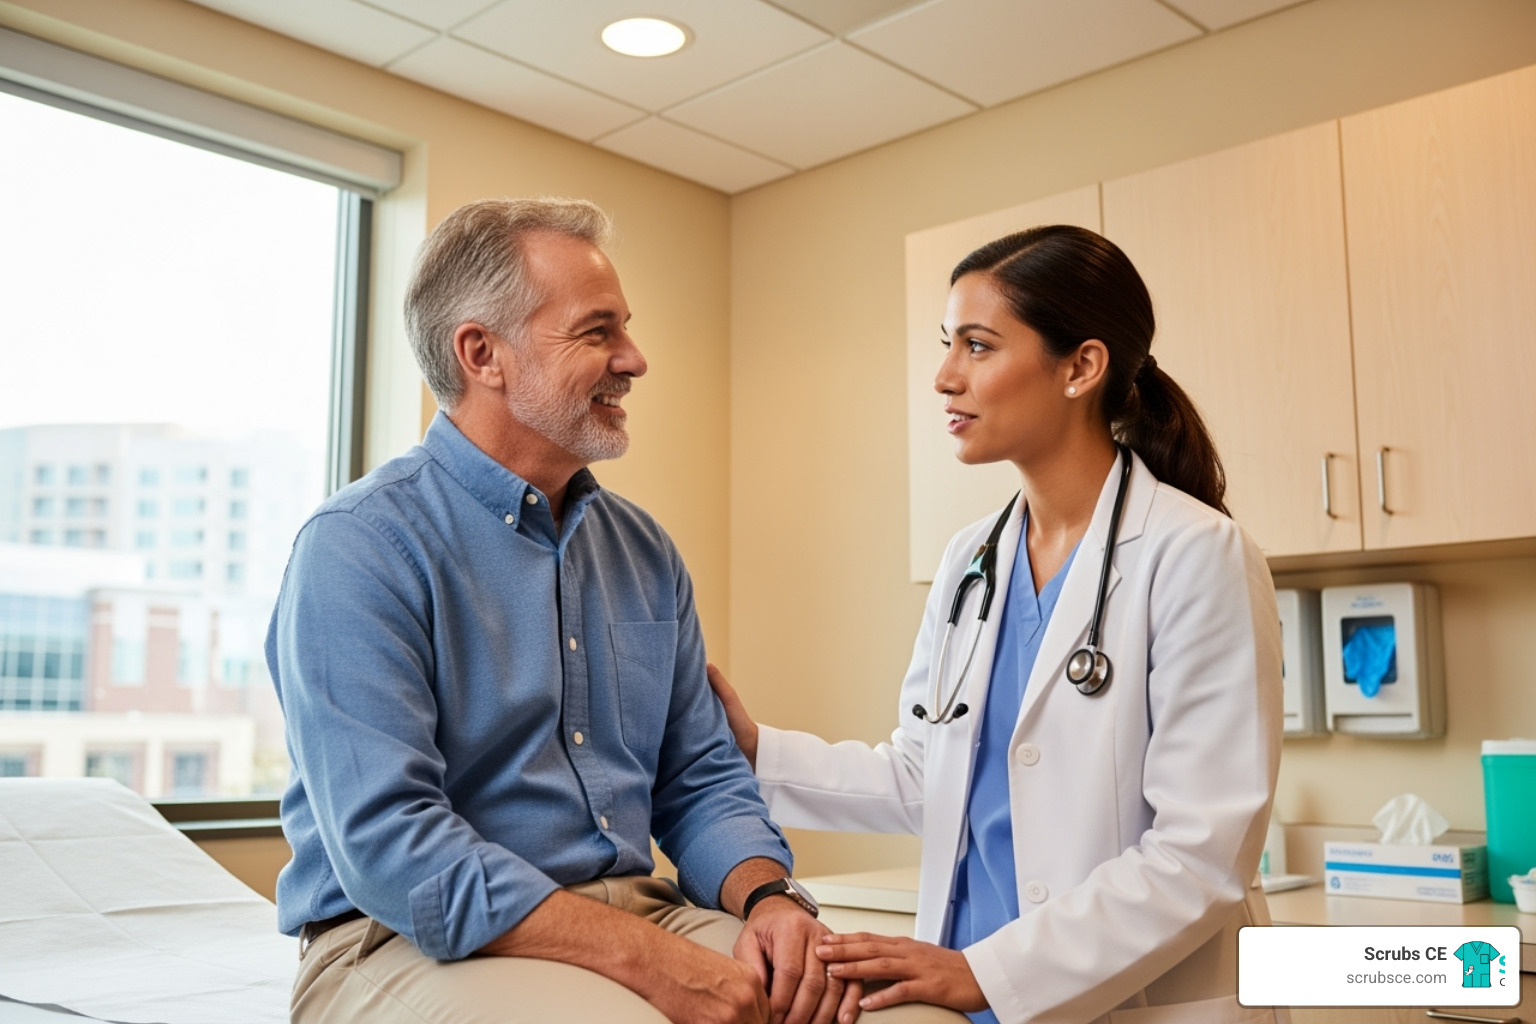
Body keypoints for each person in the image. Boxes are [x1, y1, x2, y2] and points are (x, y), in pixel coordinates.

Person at [267, 197, 859, 1024]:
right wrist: (653, 963)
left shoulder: (644, 551)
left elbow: (698, 777)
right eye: (597, 332)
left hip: (640, 910)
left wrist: (771, 902)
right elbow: (393, 845)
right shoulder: (358, 547)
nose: (636, 359)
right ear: (483, 353)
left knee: (891, 1013)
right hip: (400, 936)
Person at [709, 225, 1285, 1024]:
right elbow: (926, 776)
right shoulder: (970, 560)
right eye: (948, 345)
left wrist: (988, 974)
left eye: (977, 347)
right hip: (968, 993)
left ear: (1081, 366)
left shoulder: (1195, 554)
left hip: (1117, 999)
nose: (944, 377)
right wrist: (756, 751)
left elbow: (1201, 856)